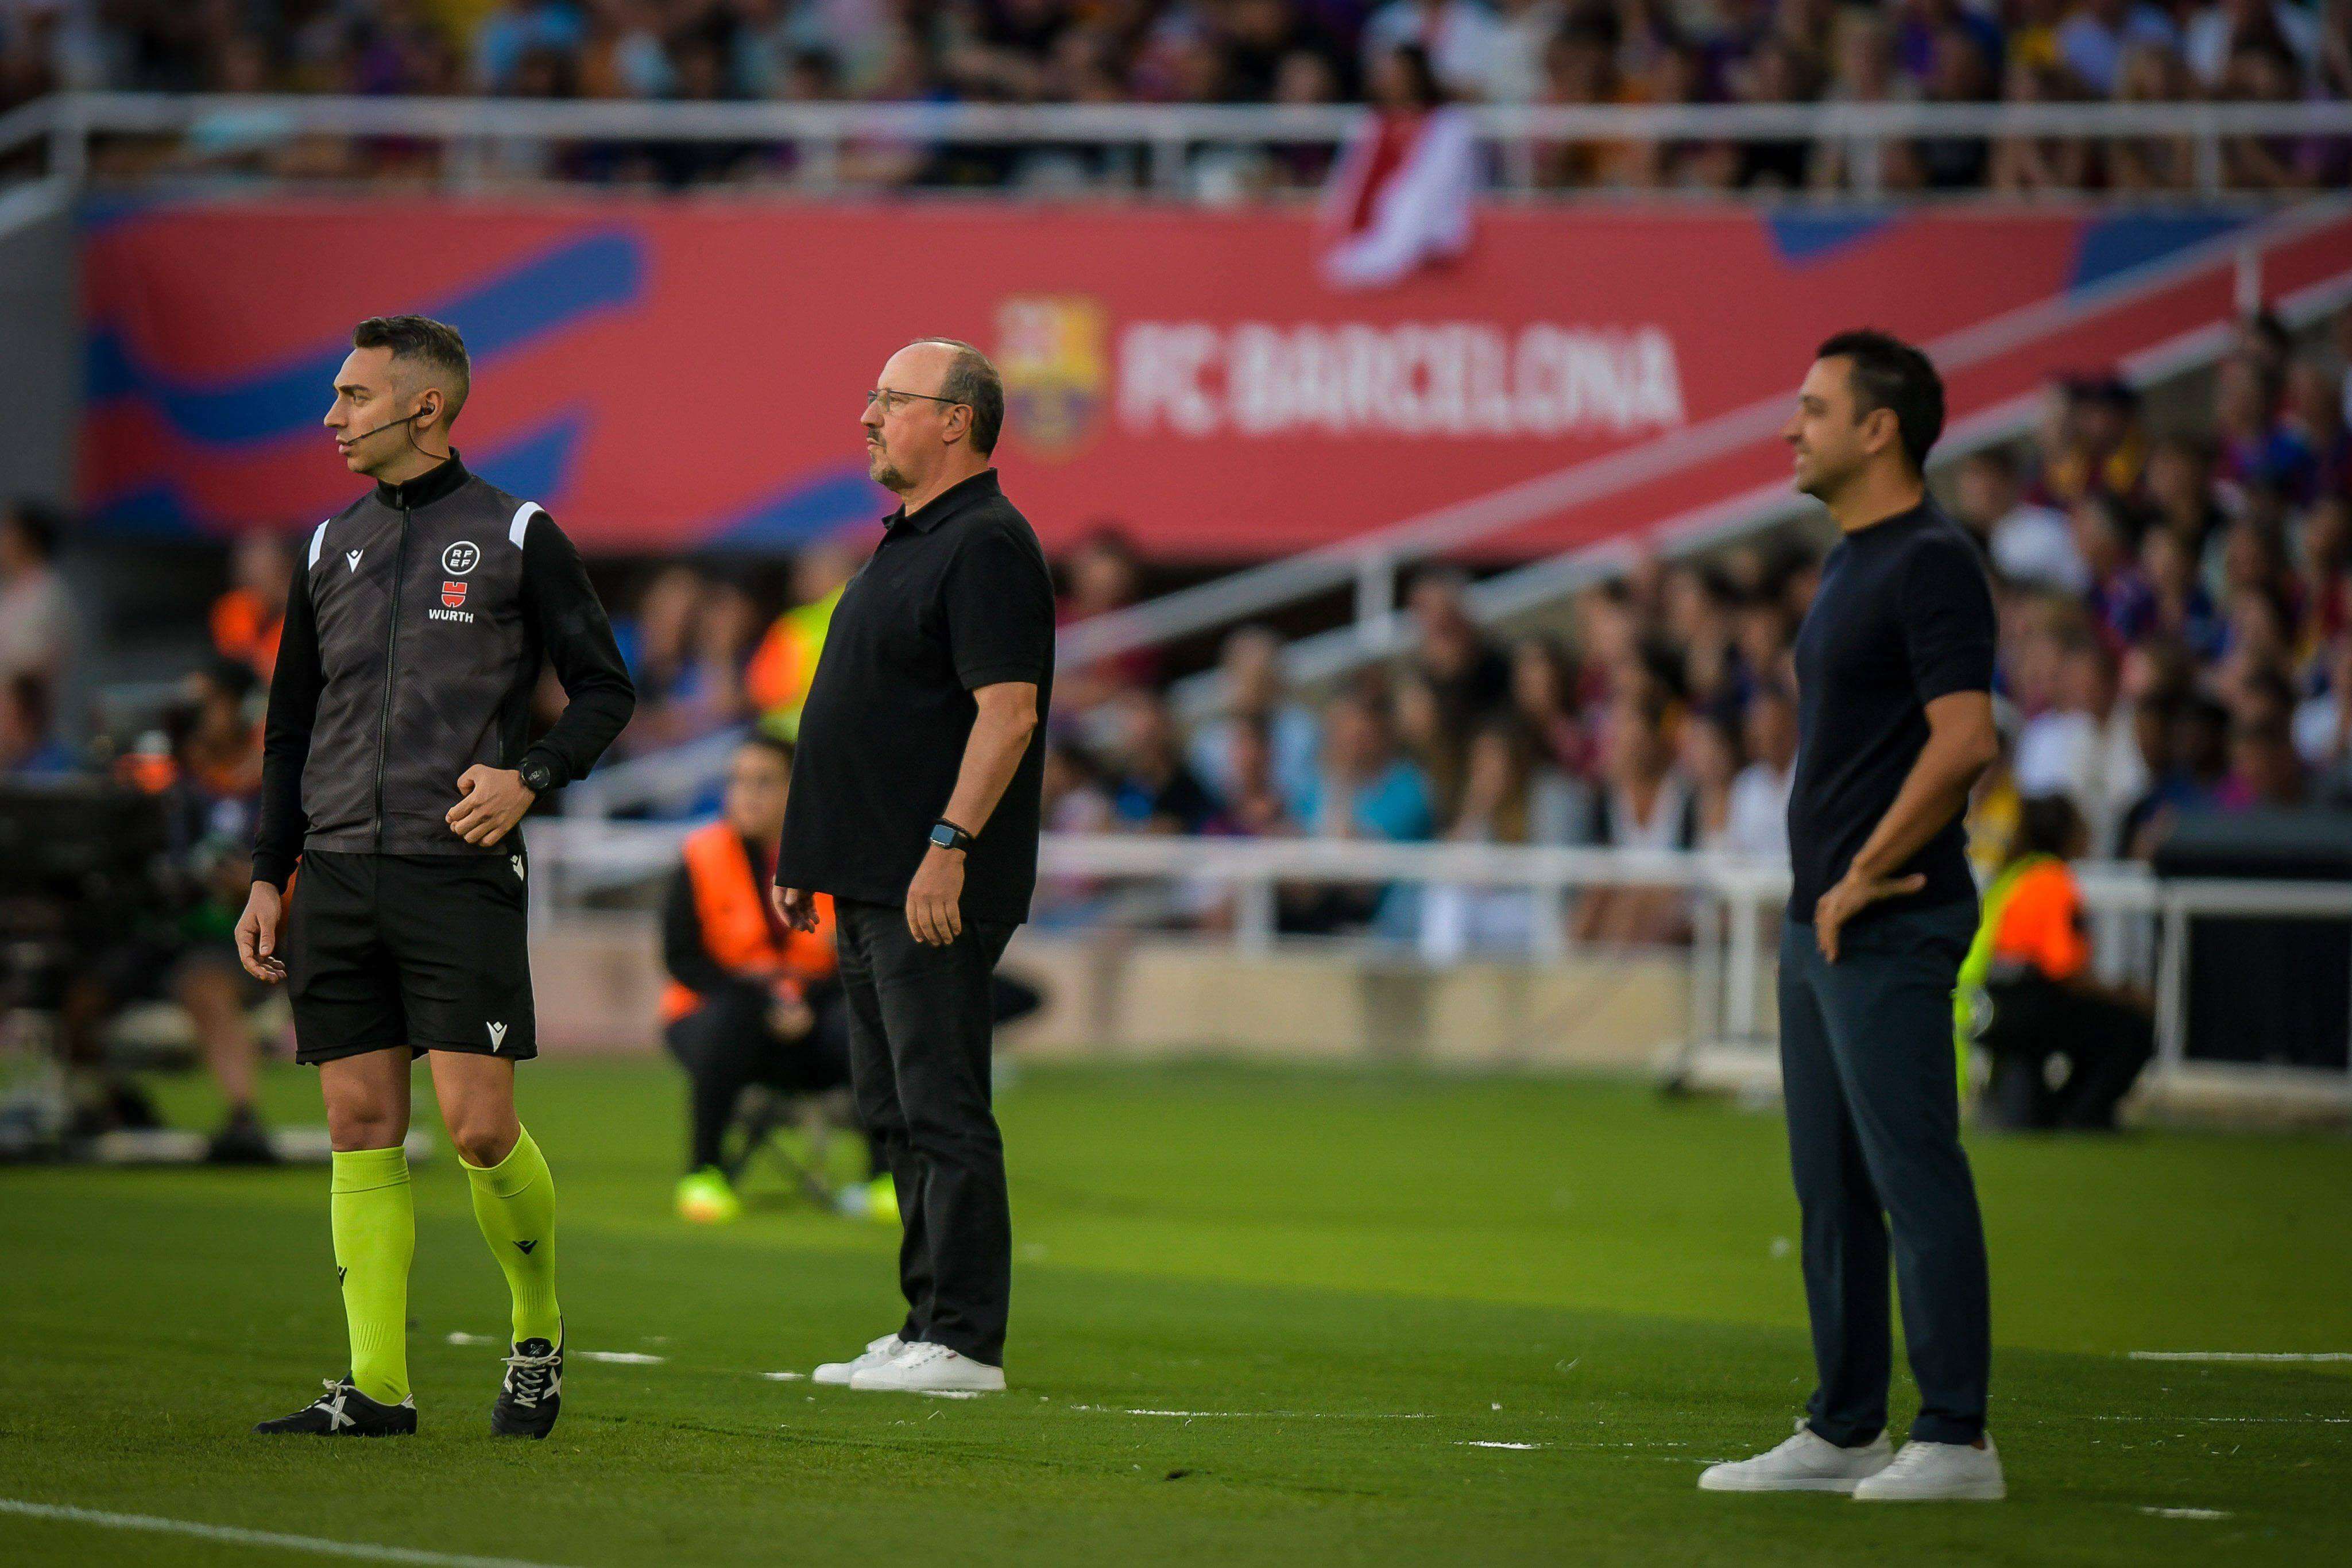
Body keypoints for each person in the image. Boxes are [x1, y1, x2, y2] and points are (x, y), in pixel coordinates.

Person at [235, 315, 635, 1439]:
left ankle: (537, 1331)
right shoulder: (327, 545)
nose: (331, 418)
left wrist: (531, 775)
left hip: (457, 872)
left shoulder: (517, 532)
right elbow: (287, 729)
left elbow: (606, 689)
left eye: (354, 397)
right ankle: (376, 1390)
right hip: (340, 877)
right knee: (359, 1125)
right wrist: (272, 873)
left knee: (475, 1130)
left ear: (426, 407)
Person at [1701, 331, 2005, 1502]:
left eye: (1812, 408)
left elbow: (1964, 737)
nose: (1791, 428)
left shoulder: (1928, 560)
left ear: (1876, 428)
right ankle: (1841, 1426)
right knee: (1826, 1188)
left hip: (1883, 919)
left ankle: (1956, 1437)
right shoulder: (1848, 561)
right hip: (1817, 923)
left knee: (1911, 1176)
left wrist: (1862, 870)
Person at [774, 338, 1053, 1395]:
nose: (868, 416)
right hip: (870, 877)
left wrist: (948, 848)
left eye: (891, 399)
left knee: (941, 1106)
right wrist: (810, 850)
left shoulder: (986, 543)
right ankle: (923, 1317)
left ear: (957, 420)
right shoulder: (909, 541)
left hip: (930, 883)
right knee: (891, 1108)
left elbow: (1008, 712)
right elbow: (861, 712)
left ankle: (968, 1341)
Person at [661, 732, 891, 1225]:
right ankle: (703, 1173)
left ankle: (886, 1177)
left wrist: (804, 1000)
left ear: (798, 790)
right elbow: (682, 959)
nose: (747, 793)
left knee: (866, 1022)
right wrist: (767, 999)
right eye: (738, 780)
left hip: (816, 1016)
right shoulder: (702, 853)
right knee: (731, 1017)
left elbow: (861, 958)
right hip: (718, 1016)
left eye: (763, 781)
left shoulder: (838, 857)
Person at [1959, 795, 2153, 1132]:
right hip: (2025, 1007)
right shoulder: (2052, 881)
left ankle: (2042, 1109)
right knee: (2131, 1028)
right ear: (2064, 834)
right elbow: (2064, 969)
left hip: (1987, 1004)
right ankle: (2083, 1114)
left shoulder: (2012, 875)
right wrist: (2126, 996)